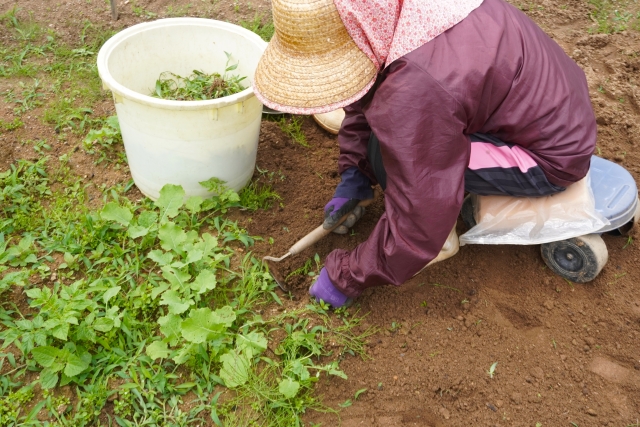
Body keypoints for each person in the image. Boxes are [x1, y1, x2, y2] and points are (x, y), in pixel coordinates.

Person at [253, 0, 596, 307]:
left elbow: (421, 208)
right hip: (543, 105)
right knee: (389, 141)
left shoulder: (415, 88)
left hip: (548, 154)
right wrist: (353, 177)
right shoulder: (395, 16)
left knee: (393, 158)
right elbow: (365, 92)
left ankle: (443, 240)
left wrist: (348, 275)